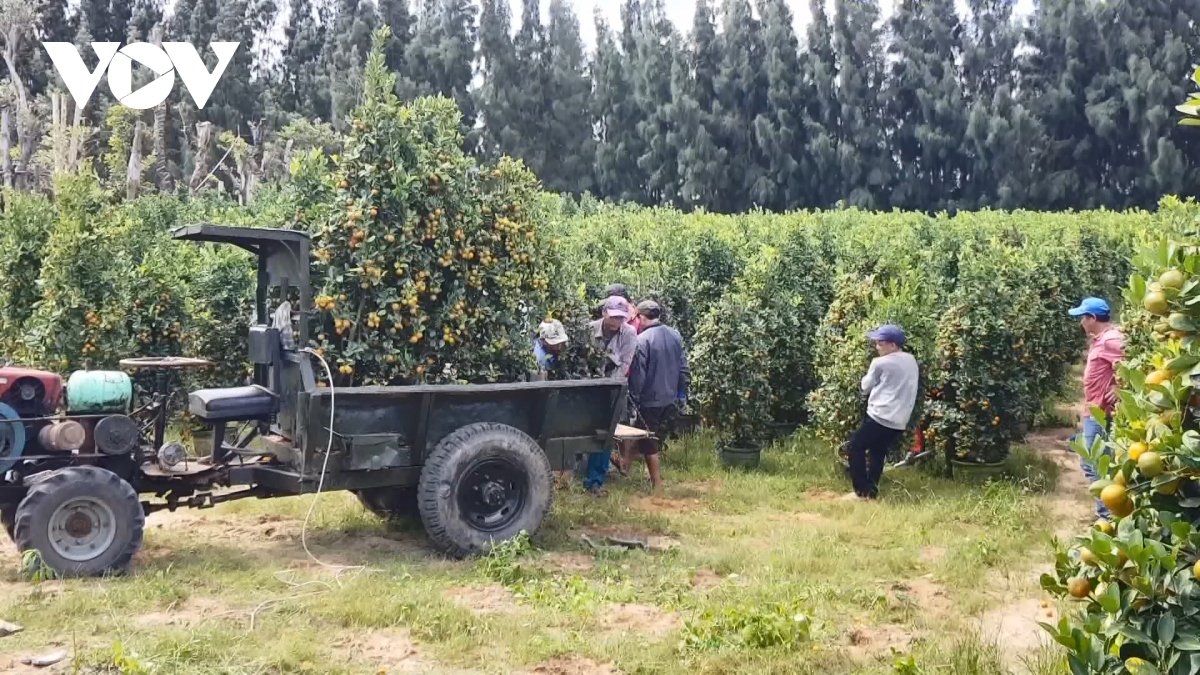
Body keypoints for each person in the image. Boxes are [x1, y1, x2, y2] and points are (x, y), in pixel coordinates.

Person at [844, 324, 919, 501]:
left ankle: (861, 491)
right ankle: (872, 490)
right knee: (878, 450)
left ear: (892, 345)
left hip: (880, 416)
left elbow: (865, 387)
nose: (876, 347)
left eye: (880, 343)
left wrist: (865, 378)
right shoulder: (911, 360)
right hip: (900, 420)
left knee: (855, 445)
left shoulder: (880, 363)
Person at [1069, 297, 1124, 519]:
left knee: (1093, 462)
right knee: (1097, 461)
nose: (1081, 322)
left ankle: (1107, 515)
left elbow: (1134, 362)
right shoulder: (1101, 339)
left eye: (1083, 317)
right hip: (1093, 410)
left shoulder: (1111, 339)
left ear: (1092, 318)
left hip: (1100, 413)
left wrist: (1120, 388)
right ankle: (1109, 513)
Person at [625, 300, 689, 491]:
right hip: (669, 397)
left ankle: (657, 484)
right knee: (642, 433)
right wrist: (681, 392)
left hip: (649, 399)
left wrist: (634, 398)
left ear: (642, 317)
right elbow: (683, 367)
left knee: (648, 440)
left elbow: (639, 374)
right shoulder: (675, 335)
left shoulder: (643, 339)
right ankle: (624, 466)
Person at [583, 297, 638, 496]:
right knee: (583, 431)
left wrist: (606, 388)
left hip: (613, 390)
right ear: (604, 312)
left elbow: (624, 364)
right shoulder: (589, 330)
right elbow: (582, 361)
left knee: (605, 434)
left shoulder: (629, 333)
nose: (616, 322)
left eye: (621, 318)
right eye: (613, 316)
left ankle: (595, 481)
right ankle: (575, 473)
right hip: (587, 389)